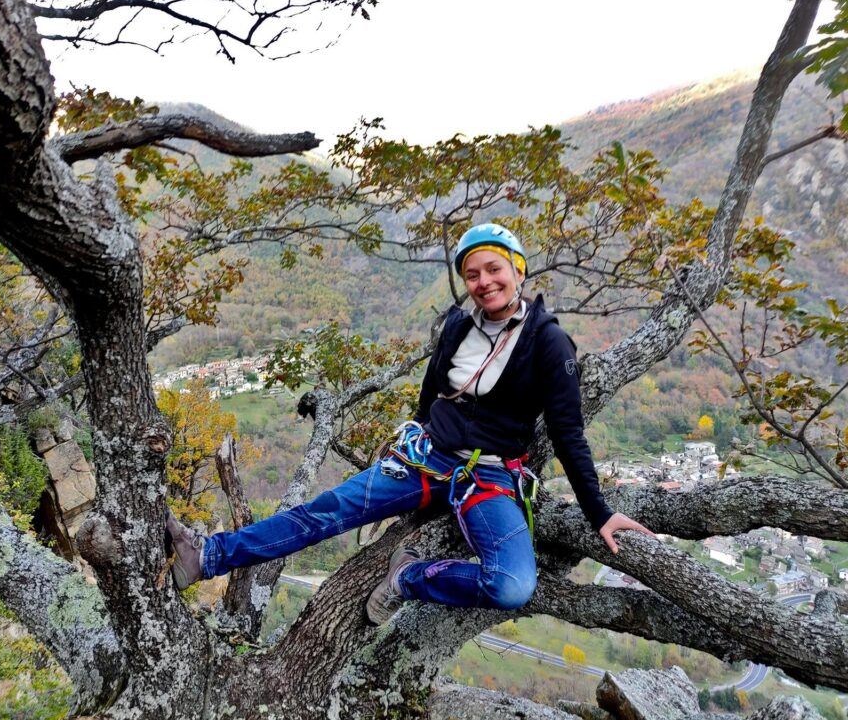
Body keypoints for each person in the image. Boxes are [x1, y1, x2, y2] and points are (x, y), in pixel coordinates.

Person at [167, 223, 654, 624]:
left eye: (493, 269)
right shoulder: (459, 326)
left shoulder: (549, 343)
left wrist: (599, 513)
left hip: (488, 475)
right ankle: (207, 555)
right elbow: (431, 392)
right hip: (425, 458)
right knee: (324, 513)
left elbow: (568, 433)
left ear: (517, 270)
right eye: (472, 274)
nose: (483, 282)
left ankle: (407, 578)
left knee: (512, 586)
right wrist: (415, 429)